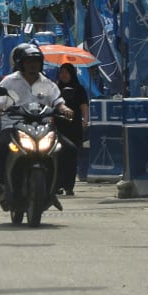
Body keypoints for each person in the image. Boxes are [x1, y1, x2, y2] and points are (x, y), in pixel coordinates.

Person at [0, 44, 73, 194]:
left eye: (36, 61)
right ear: (20, 63)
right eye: (29, 61)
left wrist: (65, 109)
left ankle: (60, 183)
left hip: (43, 126)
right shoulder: (9, 81)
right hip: (13, 124)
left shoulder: (47, 83)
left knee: (68, 148)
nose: (33, 65)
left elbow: (58, 101)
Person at [54, 63, 89, 196]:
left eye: (66, 72)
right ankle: (57, 185)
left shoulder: (79, 89)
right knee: (57, 156)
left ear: (72, 74)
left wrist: (85, 120)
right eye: (61, 72)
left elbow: (84, 106)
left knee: (72, 157)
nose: (63, 75)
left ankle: (69, 186)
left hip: (73, 127)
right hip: (58, 127)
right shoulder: (55, 89)